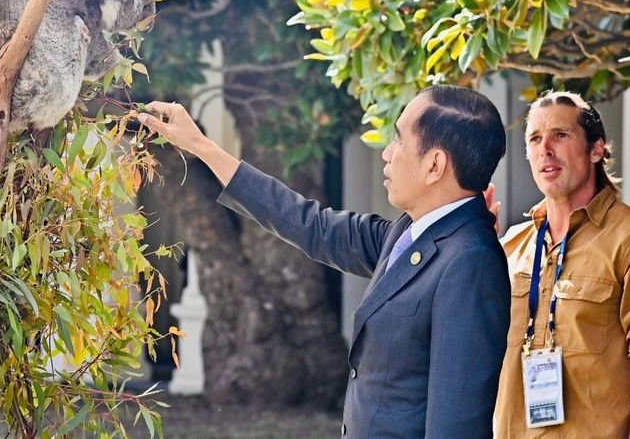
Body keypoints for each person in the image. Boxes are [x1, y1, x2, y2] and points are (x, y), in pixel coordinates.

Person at [139, 84, 510, 438]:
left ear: (434, 165)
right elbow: (310, 225)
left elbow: (456, 425)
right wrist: (202, 148)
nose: (386, 152)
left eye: (399, 139)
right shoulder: (411, 233)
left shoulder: (469, 261)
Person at [492, 91, 630, 437]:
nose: (545, 149)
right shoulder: (510, 246)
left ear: (596, 149)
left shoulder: (625, 239)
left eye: (560, 135)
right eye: (535, 139)